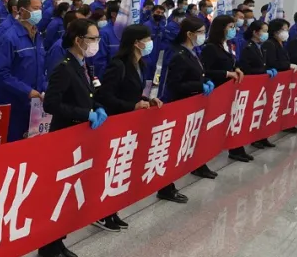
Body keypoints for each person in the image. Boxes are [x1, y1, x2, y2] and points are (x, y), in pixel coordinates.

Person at [41, 18, 106, 257]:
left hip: (79, 136)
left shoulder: (82, 65)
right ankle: (48, 244)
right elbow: (51, 104)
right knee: (59, 192)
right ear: (78, 40)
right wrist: (84, 113)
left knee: (70, 190)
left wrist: (97, 107)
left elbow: (88, 94)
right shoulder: (64, 67)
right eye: (92, 39)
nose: (96, 43)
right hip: (64, 135)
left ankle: (59, 240)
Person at [97, 23, 166, 214]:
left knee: (124, 166)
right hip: (117, 121)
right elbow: (105, 96)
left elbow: (133, 92)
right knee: (112, 166)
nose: (150, 43)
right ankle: (104, 212)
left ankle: (113, 209)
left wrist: (147, 100)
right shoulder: (118, 65)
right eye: (147, 39)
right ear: (136, 43)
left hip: (131, 124)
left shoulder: (140, 64)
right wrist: (132, 106)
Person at [163, 17, 218, 179]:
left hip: (195, 103)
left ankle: (198, 165)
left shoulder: (193, 52)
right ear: (189, 34)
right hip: (182, 103)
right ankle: (168, 181)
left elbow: (198, 73)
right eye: (200, 32)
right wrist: (199, 85)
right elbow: (175, 84)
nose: (203, 36)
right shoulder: (179, 54)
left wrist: (205, 80)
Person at [0, 0, 46, 141]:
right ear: (22, 11)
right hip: (13, 104)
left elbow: (41, 67)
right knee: (12, 146)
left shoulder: (37, 36)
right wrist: (26, 91)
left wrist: (45, 88)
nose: (39, 12)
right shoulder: (9, 37)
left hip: (35, 106)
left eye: (40, 8)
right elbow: (0, 73)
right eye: (35, 9)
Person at [202, 15, 250, 162]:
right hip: (216, 90)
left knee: (232, 119)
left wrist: (237, 68)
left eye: (234, 27)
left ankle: (236, 149)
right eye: (230, 27)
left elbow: (231, 62)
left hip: (229, 90)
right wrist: (227, 73)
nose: (234, 30)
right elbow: (205, 71)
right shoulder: (210, 47)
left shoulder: (228, 45)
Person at [239, 20, 278, 149]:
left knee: (261, 112)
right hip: (251, 85)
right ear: (255, 32)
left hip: (261, 85)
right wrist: (263, 71)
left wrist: (267, 70)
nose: (266, 34)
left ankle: (261, 137)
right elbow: (247, 69)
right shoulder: (248, 47)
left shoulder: (261, 46)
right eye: (264, 31)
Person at [263, 18, 297, 133]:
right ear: (275, 31)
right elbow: (272, 62)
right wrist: (288, 65)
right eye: (283, 29)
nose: (286, 32)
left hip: (283, 80)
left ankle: (283, 125)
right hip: (274, 79)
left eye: (287, 29)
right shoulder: (270, 44)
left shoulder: (281, 43)